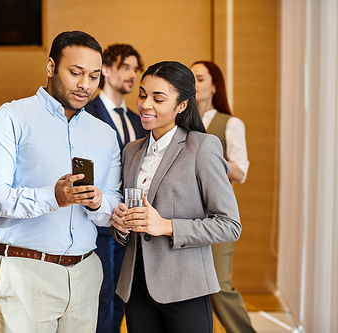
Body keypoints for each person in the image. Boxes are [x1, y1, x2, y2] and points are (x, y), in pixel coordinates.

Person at [0, 30, 122, 333]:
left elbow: (112, 205)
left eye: (94, 76)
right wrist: (52, 197)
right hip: (24, 271)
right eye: (76, 72)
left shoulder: (104, 134)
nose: (85, 85)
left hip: (85, 272)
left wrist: (98, 202)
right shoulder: (11, 118)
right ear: (51, 67)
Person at [111, 61, 242, 333]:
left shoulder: (202, 147)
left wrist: (167, 226)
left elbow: (229, 225)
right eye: (143, 94)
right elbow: (131, 219)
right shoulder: (131, 151)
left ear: (181, 105)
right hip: (137, 287)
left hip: (186, 286)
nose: (146, 105)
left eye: (158, 98)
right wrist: (121, 225)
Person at [84, 43, 145, 333]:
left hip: (130, 221)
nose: (132, 74)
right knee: (103, 294)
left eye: (135, 68)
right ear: (105, 70)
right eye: (125, 67)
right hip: (99, 219)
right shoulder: (87, 113)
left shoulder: (137, 119)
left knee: (123, 294)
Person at [190, 60, 254, 333]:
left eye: (201, 78)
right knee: (191, 291)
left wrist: (209, 160)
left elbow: (240, 173)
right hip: (184, 216)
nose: (195, 83)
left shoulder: (230, 123)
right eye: (191, 77)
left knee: (218, 288)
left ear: (215, 86)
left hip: (216, 216)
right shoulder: (182, 121)